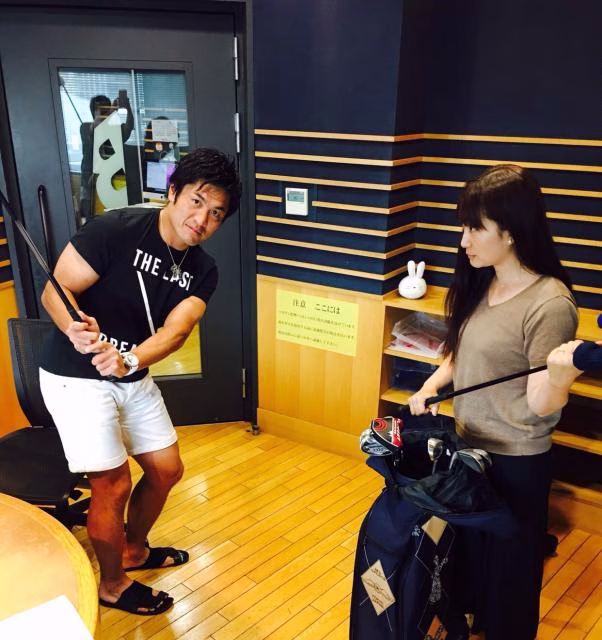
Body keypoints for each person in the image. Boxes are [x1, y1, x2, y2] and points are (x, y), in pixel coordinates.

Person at [39, 148, 242, 616]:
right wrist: (73, 327)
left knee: (167, 469)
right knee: (113, 484)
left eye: (216, 213)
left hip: (130, 373)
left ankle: (133, 549)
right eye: (196, 201)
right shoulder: (116, 229)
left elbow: (176, 332)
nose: (202, 220)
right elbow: (56, 289)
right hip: (74, 375)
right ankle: (112, 584)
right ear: (173, 193)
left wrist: (128, 359)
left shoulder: (203, 270)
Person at [408, 164, 579, 640]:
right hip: (470, 450)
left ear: (511, 231)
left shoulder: (550, 304)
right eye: (463, 226)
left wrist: (561, 377)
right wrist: (429, 387)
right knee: (465, 560)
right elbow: (461, 352)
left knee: (509, 579)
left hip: (516, 462)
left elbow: (541, 403)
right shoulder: (484, 281)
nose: (464, 240)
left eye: (475, 228)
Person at [79, 91, 134, 219]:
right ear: (93, 112)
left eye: (107, 109)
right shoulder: (86, 128)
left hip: (112, 185)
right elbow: (97, 126)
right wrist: (113, 110)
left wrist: (127, 107)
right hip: (91, 185)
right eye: (103, 110)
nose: (106, 113)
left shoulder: (113, 129)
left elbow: (129, 127)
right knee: (93, 221)